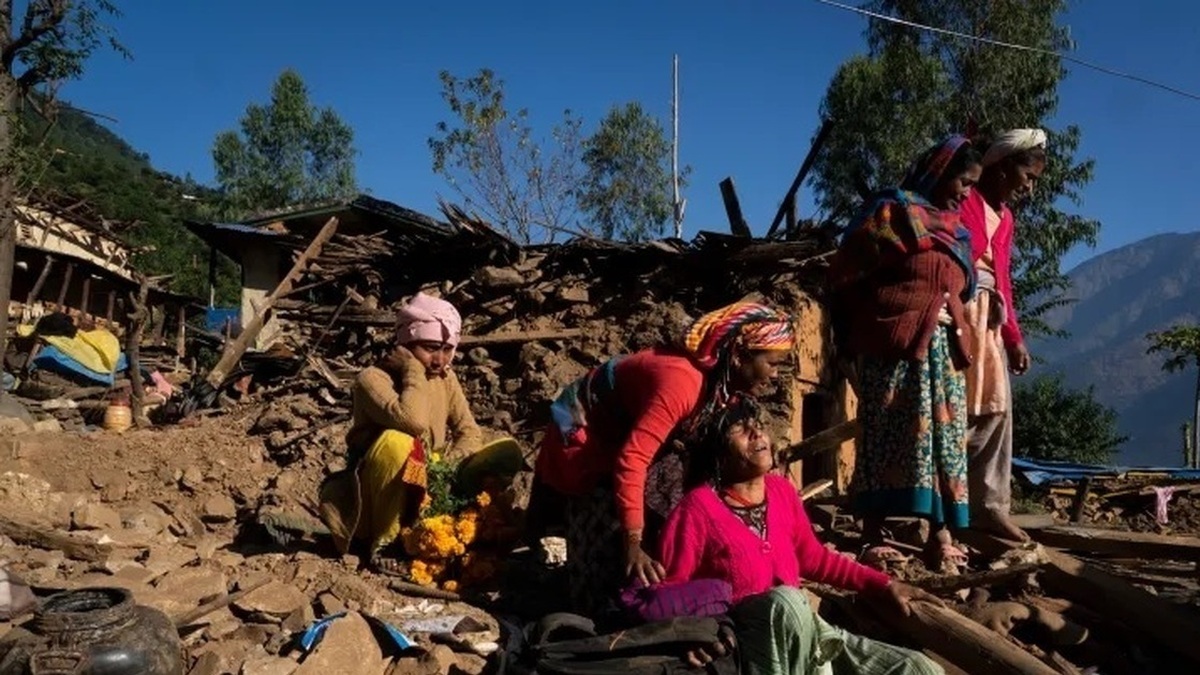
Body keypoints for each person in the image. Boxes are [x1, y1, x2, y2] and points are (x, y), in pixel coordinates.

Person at [531, 302, 795, 617]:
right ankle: (590, 609)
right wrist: (632, 541)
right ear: (738, 356)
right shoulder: (682, 382)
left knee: (672, 499)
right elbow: (631, 459)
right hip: (581, 427)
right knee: (604, 518)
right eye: (773, 363)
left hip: (623, 431)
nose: (776, 375)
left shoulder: (723, 389)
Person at [658, 397, 944, 675]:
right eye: (740, 430)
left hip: (805, 628)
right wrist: (693, 633)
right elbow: (671, 588)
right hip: (746, 642)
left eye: (756, 424)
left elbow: (815, 559)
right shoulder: (697, 509)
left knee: (919, 668)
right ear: (718, 455)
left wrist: (884, 584)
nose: (757, 432)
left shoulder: (781, 491)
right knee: (787, 602)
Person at [828, 136, 982, 572]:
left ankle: (940, 536)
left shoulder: (957, 231)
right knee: (886, 433)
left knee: (942, 443)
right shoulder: (891, 214)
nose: (966, 192)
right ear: (939, 171)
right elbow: (845, 273)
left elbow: (964, 282)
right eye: (962, 181)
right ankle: (872, 535)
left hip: (943, 354)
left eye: (973, 185)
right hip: (893, 347)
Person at [319, 293, 483, 570]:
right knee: (398, 442)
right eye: (431, 348)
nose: (439, 360)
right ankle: (386, 543)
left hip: (429, 483)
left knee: (490, 457)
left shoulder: (445, 379)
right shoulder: (373, 379)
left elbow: (470, 432)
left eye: (447, 349)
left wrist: (448, 467)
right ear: (405, 344)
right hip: (374, 497)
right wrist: (411, 370)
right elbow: (412, 421)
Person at [958, 129, 1047, 542]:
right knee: (952, 406)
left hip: (988, 316)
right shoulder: (965, 200)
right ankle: (944, 507)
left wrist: (1014, 337)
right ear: (1003, 167)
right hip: (958, 309)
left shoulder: (1006, 218)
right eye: (1027, 175)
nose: (1029, 186)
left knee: (996, 407)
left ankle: (990, 506)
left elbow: (1004, 280)